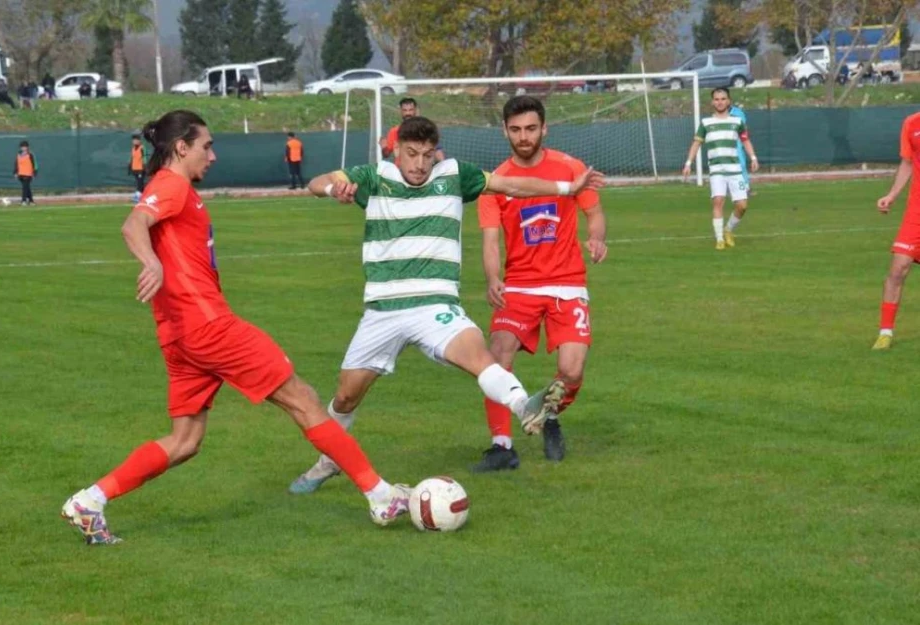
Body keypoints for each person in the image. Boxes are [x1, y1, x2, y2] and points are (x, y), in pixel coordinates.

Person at [60, 110, 413, 545]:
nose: (213, 154)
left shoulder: (172, 188)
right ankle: (380, 494)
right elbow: (133, 223)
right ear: (181, 147)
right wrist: (150, 261)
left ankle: (89, 501)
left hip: (178, 334)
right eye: (206, 146)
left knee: (185, 440)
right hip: (209, 326)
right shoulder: (170, 185)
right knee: (302, 399)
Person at [288, 115, 604, 494]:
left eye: (426, 155)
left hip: (434, 306)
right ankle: (327, 463)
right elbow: (316, 181)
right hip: (382, 312)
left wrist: (568, 186)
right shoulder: (373, 177)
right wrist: (332, 190)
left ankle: (526, 407)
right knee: (346, 395)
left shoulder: (454, 174)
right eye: (411, 154)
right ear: (396, 152)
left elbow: (513, 185)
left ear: (436, 153)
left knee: (479, 357)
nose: (420, 164)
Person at [473, 96, 606, 471]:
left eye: (531, 128)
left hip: (568, 283)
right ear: (505, 131)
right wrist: (493, 277)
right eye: (515, 130)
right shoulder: (495, 182)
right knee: (496, 356)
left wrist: (597, 237)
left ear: (544, 128)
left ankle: (547, 415)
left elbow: (594, 212)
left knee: (573, 371)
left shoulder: (569, 168)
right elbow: (489, 239)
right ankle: (501, 447)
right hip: (520, 286)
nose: (523, 136)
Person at [681, 87, 759, 250]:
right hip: (716, 170)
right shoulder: (706, 123)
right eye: (717, 99)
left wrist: (753, 158)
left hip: (736, 170)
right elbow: (696, 143)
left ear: (729, 101)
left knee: (742, 206)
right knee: (718, 201)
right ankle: (719, 239)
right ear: (712, 102)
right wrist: (689, 163)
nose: (720, 102)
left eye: (723, 99)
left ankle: (728, 230)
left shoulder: (737, 122)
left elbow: (745, 141)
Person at [872, 111, 920, 350]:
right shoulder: (911, 124)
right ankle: (885, 332)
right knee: (898, 268)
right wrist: (892, 195)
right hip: (916, 213)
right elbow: (908, 162)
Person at [379, 98, 445, 162]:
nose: (408, 113)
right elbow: (386, 154)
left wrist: (443, 164)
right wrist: (384, 147)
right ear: (401, 111)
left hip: (421, 170)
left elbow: (437, 150)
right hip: (401, 170)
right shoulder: (394, 131)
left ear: (415, 110)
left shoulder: (425, 129)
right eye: (405, 110)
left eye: (410, 110)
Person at [729, 102, 752, 193]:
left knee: (741, 163)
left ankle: (746, 187)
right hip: (724, 141)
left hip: (737, 140)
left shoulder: (738, 112)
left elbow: (742, 127)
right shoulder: (719, 113)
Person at [13, 140, 38, 205]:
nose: (23, 148)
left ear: (27, 147)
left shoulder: (30, 154)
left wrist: (34, 172)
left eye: (25, 147)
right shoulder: (18, 155)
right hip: (20, 173)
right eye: (22, 147)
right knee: (27, 187)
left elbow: (35, 164)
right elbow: (16, 164)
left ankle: (23, 200)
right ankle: (31, 201)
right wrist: (15, 172)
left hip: (28, 173)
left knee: (25, 187)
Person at [129, 134, 147, 202]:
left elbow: (144, 157)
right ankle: (143, 197)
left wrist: (144, 166)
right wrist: (130, 166)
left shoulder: (142, 148)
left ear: (139, 141)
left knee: (140, 183)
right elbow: (132, 158)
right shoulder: (133, 149)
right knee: (138, 183)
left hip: (140, 169)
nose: (135, 141)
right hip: (135, 168)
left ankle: (138, 196)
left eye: (136, 140)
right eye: (133, 140)